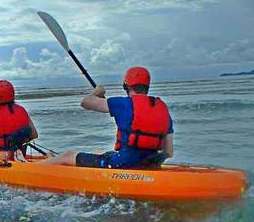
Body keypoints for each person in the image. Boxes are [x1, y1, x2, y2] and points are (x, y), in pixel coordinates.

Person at [41, 66, 173, 168]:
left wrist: (97, 91)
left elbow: (86, 102)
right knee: (98, 152)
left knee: (67, 155)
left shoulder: (122, 103)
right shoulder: (162, 108)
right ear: (147, 87)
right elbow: (168, 152)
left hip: (122, 164)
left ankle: (30, 169)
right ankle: (53, 161)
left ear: (126, 86)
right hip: (150, 164)